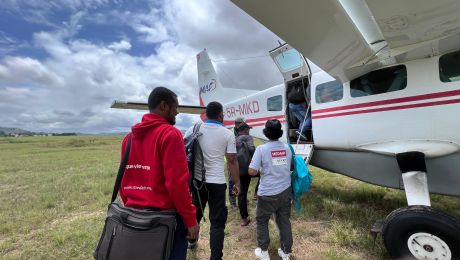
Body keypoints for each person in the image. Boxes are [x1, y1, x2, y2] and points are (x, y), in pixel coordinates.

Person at [119, 87, 200, 260]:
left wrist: (133, 205)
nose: (177, 112)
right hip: (165, 219)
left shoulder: (129, 138)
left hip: (134, 216)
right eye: (175, 106)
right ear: (164, 106)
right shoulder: (170, 134)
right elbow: (177, 184)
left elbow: (123, 180)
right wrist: (190, 219)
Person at [184, 101, 241, 260]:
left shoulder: (192, 129)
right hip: (217, 183)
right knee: (217, 223)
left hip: (197, 182)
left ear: (206, 115)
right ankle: (216, 257)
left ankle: (190, 242)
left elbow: (184, 153)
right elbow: (232, 161)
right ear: (221, 114)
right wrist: (237, 183)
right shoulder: (227, 133)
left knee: (195, 214)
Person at [249, 119, 293, 260]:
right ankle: (286, 252)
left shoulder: (261, 149)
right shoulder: (287, 147)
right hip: (285, 190)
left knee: (262, 220)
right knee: (284, 220)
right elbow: (291, 167)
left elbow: (251, 171)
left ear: (266, 132)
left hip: (268, 193)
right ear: (280, 132)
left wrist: (262, 169)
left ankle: (263, 252)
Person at [233, 122, 256, 226]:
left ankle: (244, 220)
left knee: (242, 193)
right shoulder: (247, 138)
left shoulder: (234, 139)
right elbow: (252, 149)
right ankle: (256, 193)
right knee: (265, 173)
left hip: (237, 170)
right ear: (246, 130)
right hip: (248, 169)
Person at [228, 116, 245, 209]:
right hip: (231, 162)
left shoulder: (242, 131)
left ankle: (242, 198)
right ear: (236, 124)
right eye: (241, 124)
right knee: (232, 181)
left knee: (241, 181)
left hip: (240, 161)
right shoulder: (230, 132)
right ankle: (232, 202)